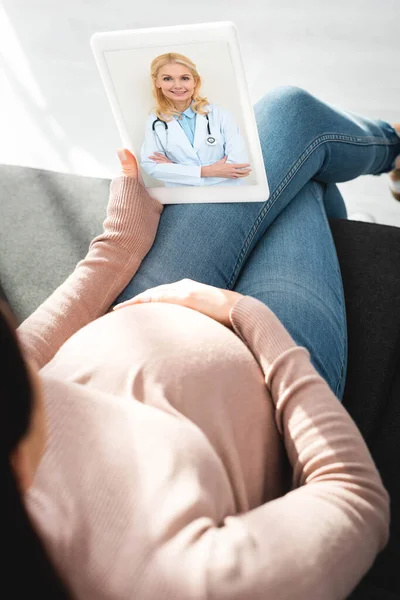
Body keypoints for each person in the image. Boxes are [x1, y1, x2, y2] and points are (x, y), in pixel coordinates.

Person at [6, 86, 400, 599]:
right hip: (268, 361)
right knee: (303, 174)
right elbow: (358, 501)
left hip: (148, 302)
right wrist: (245, 315)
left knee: (284, 117)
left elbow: (28, 350)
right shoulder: (177, 581)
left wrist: (120, 241)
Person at [140, 52, 251, 187]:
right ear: (157, 82)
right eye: (168, 79)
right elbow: (152, 167)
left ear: (195, 81)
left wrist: (177, 170)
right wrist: (207, 171)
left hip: (228, 194)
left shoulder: (220, 115)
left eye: (185, 78)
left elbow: (239, 166)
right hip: (184, 199)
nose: (178, 85)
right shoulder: (155, 122)